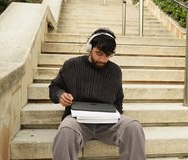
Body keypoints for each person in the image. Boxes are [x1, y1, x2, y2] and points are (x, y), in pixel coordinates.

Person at [49, 28, 146, 160]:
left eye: (107, 55)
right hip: (78, 120)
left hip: (108, 122)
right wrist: (60, 94)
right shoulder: (71, 65)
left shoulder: (115, 71)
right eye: (99, 53)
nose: (103, 59)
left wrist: (117, 116)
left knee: (133, 126)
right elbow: (54, 87)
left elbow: (119, 99)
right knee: (65, 130)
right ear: (90, 48)